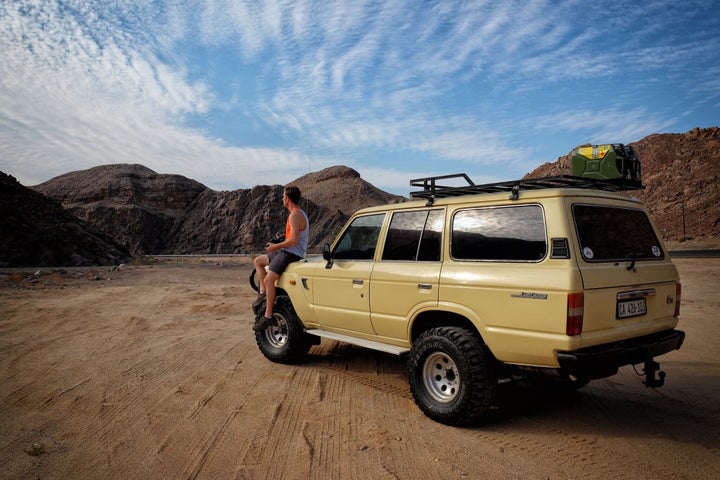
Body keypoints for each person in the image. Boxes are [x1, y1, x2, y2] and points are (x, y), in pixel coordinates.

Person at [252, 185, 309, 331]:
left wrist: (274, 247)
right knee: (258, 261)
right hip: (286, 250)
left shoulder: (295, 215)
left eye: (283, 197)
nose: (282, 199)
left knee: (268, 279)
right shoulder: (298, 213)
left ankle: (268, 316)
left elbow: (294, 241)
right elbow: (291, 237)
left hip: (291, 254)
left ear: (288, 199)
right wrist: (280, 239)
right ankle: (263, 295)